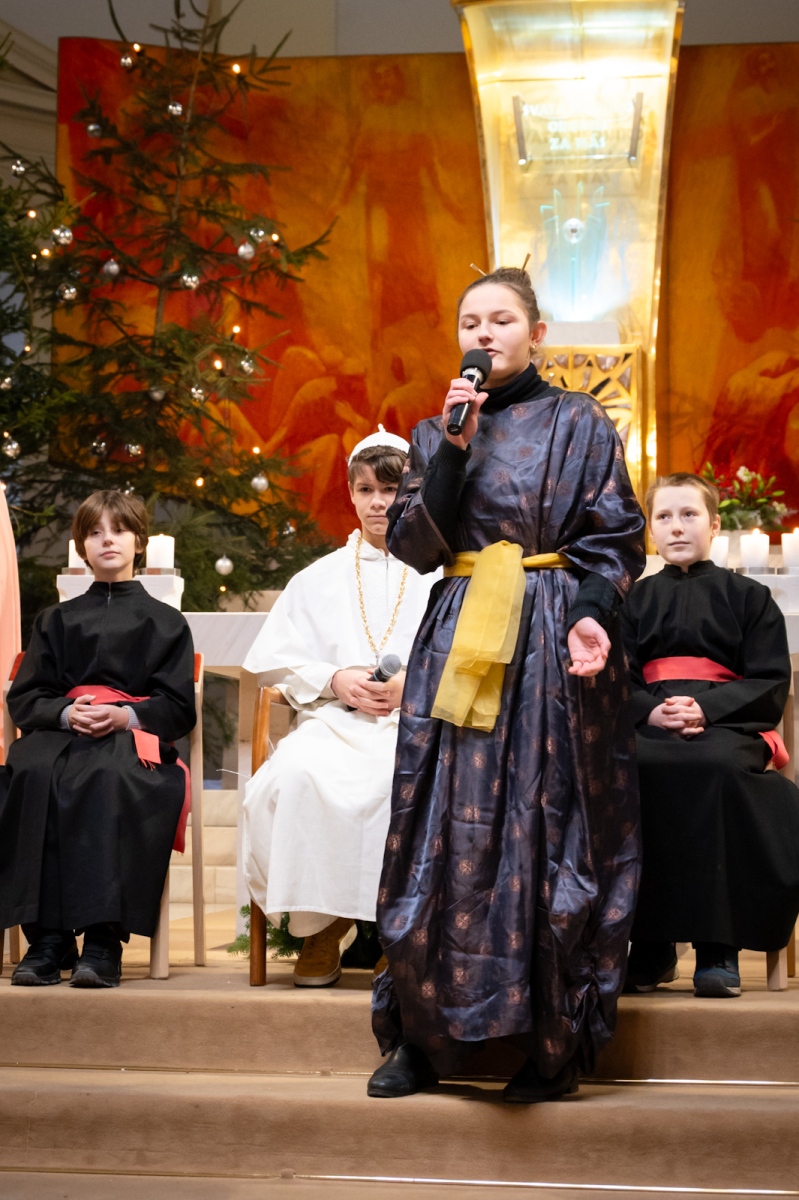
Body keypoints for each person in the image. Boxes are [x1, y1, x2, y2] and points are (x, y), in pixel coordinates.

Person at [368, 266, 646, 1102]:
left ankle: (548, 1044)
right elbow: (414, 546)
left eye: (500, 320)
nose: (482, 334)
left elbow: (613, 535)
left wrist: (590, 615)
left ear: (536, 334)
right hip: (459, 638)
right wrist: (452, 450)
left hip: (551, 636)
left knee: (542, 825)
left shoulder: (578, 420)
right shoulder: (435, 430)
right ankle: (419, 1038)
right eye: (469, 322)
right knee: (436, 825)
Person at [242, 430, 440, 988]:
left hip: (414, 724)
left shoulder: (440, 573)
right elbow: (276, 662)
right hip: (333, 722)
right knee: (296, 777)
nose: (378, 503)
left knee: (405, 781)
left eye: (390, 489)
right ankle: (321, 930)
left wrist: (413, 686)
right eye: (365, 490)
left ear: (411, 492)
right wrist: (334, 678)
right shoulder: (316, 578)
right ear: (350, 494)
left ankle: (397, 935)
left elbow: (467, 658)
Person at [0, 491, 196, 988]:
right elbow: (26, 696)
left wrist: (125, 716)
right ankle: (48, 939)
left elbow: (178, 707)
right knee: (30, 771)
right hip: (60, 733)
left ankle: (103, 939)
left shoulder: (166, 622)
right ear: (81, 546)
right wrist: (66, 713)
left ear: (139, 542)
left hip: (131, 739)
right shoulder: (55, 620)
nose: (107, 540)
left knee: (109, 774)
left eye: (119, 530)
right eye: (94, 532)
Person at [620, 473, 799, 997]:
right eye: (664, 517)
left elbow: (770, 680)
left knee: (716, 767)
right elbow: (615, 679)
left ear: (715, 524)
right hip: (651, 723)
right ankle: (650, 945)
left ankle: (717, 947)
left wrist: (707, 707)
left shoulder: (750, 597)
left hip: (726, 724)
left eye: (689, 514)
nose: (677, 527)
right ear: (650, 529)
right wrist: (652, 713)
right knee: (633, 769)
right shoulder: (631, 600)